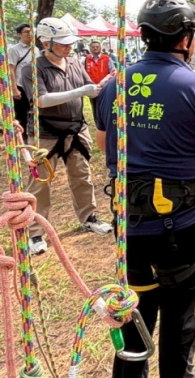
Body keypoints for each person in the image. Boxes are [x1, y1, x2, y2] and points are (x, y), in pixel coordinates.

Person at [96, 0, 195, 377]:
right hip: (183, 225)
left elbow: (101, 143)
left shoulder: (114, 83)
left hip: (131, 225)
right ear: (186, 39)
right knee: (178, 316)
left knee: (136, 313)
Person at [21, 18, 112, 256]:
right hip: (45, 135)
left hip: (76, 130)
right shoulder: (32, 68)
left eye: (70, 43)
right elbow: (41, 100)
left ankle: (89, 216)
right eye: (62, 44)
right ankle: (36, 232)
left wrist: (100, 86)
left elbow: (88, 86)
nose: (68, 47)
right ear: (45, 42)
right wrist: (82, 90)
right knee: (40, 183)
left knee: (82, 176)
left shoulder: (73, 63)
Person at [9, 22, 37, 141]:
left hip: (34, 87)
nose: (29, 34)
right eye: (26, 32)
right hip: (20, 87)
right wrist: (14, 89)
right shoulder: (14, 50)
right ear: (19, 35)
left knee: (34, 112)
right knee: (21, 114)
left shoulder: (36, 49)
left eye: (31, 31)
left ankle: (33, 134)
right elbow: (11, 69)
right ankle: (21, 139)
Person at [84, 40, 117, 124]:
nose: (95, 48)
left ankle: (106, 121)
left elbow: (113, 72)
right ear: (90, 48)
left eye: (97, 47)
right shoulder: (86, 60)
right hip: (92, 88)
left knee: (106, 105)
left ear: (100, 48)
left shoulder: (106, 58)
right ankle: (97, 122)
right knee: (94, 106)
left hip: (105, 87)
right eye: (93, 47)